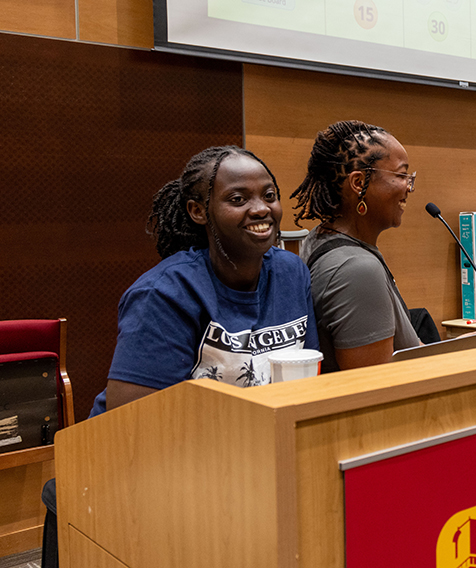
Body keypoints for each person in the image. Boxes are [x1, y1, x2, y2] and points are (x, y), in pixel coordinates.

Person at [42, 146, 318, 568]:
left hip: (241, 465)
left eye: (269, 194)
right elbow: (131, 428)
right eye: (238, 199)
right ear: (198, 211)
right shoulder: (166, 293)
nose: (261, 209)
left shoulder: (292, 273)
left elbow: (309, 377)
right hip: (123, 475)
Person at [291, 120, 420, 372]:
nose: (408, 187)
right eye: (401, 175)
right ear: (359, 183)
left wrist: (453, 354)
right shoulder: (356, 269)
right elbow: (375, 387)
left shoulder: (320, 237)